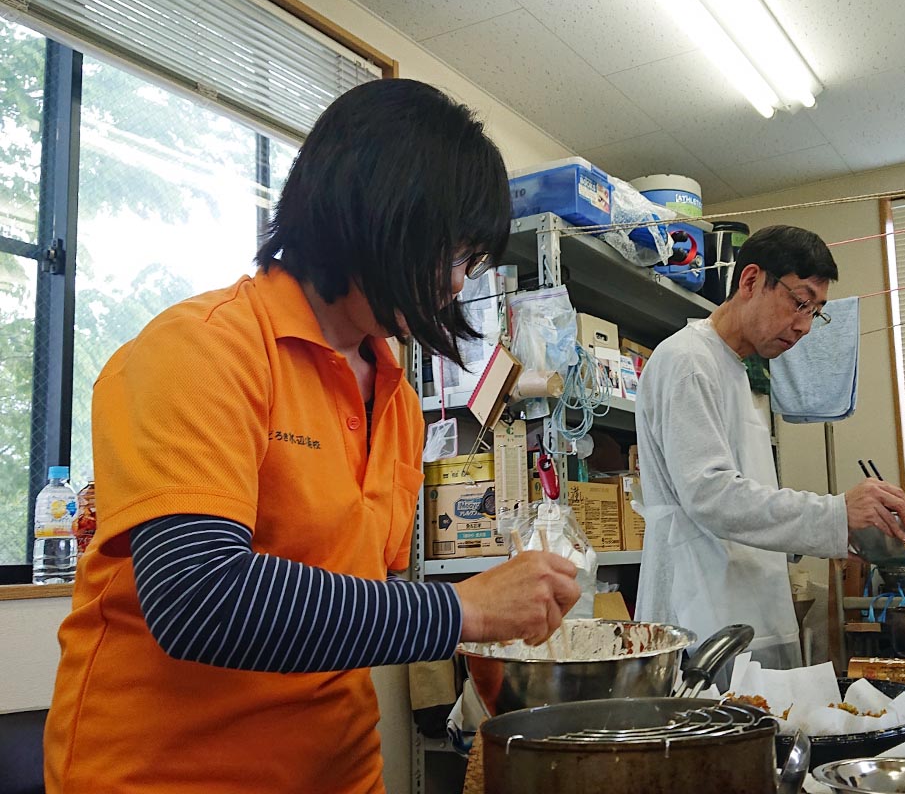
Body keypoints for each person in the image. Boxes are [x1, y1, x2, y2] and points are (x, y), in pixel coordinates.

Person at [43, 79, 580, 793]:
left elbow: (356, 600)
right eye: (451, 255)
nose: (456, 286)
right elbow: (201, 598)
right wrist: (467, 608)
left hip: (338, 772)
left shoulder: (392, 393)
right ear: (374, 213)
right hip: (162, 775)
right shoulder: (201, 349)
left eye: (470, 264)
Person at [634, 225, 905, 670]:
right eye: (799, 303)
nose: (804, 326)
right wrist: (835, 514)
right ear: (750, 281)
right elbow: (710, 494)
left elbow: (747, 493)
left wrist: (844, 531)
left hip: (742, 604)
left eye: (816, 312)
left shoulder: (737, 371)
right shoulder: (688, 360)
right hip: (698, 613)